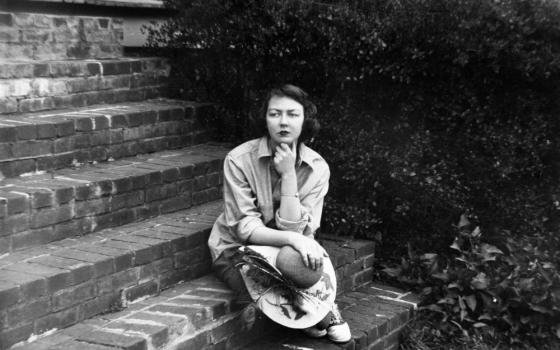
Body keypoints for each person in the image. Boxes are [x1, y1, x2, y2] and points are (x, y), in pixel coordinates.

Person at [207, 84, 351, 343]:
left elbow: (298, 233)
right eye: (275, 114)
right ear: (265, 117)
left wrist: (288, 176)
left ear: (305, 119)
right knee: (260, 299)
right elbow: (245, 229)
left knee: (300, 266)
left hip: (286, 251)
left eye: (292, 114)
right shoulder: (239, 159)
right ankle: (312, 312)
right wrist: (293, 240)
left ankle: (319, 306)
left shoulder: (317, 168)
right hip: (237, 248)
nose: (283, 122)